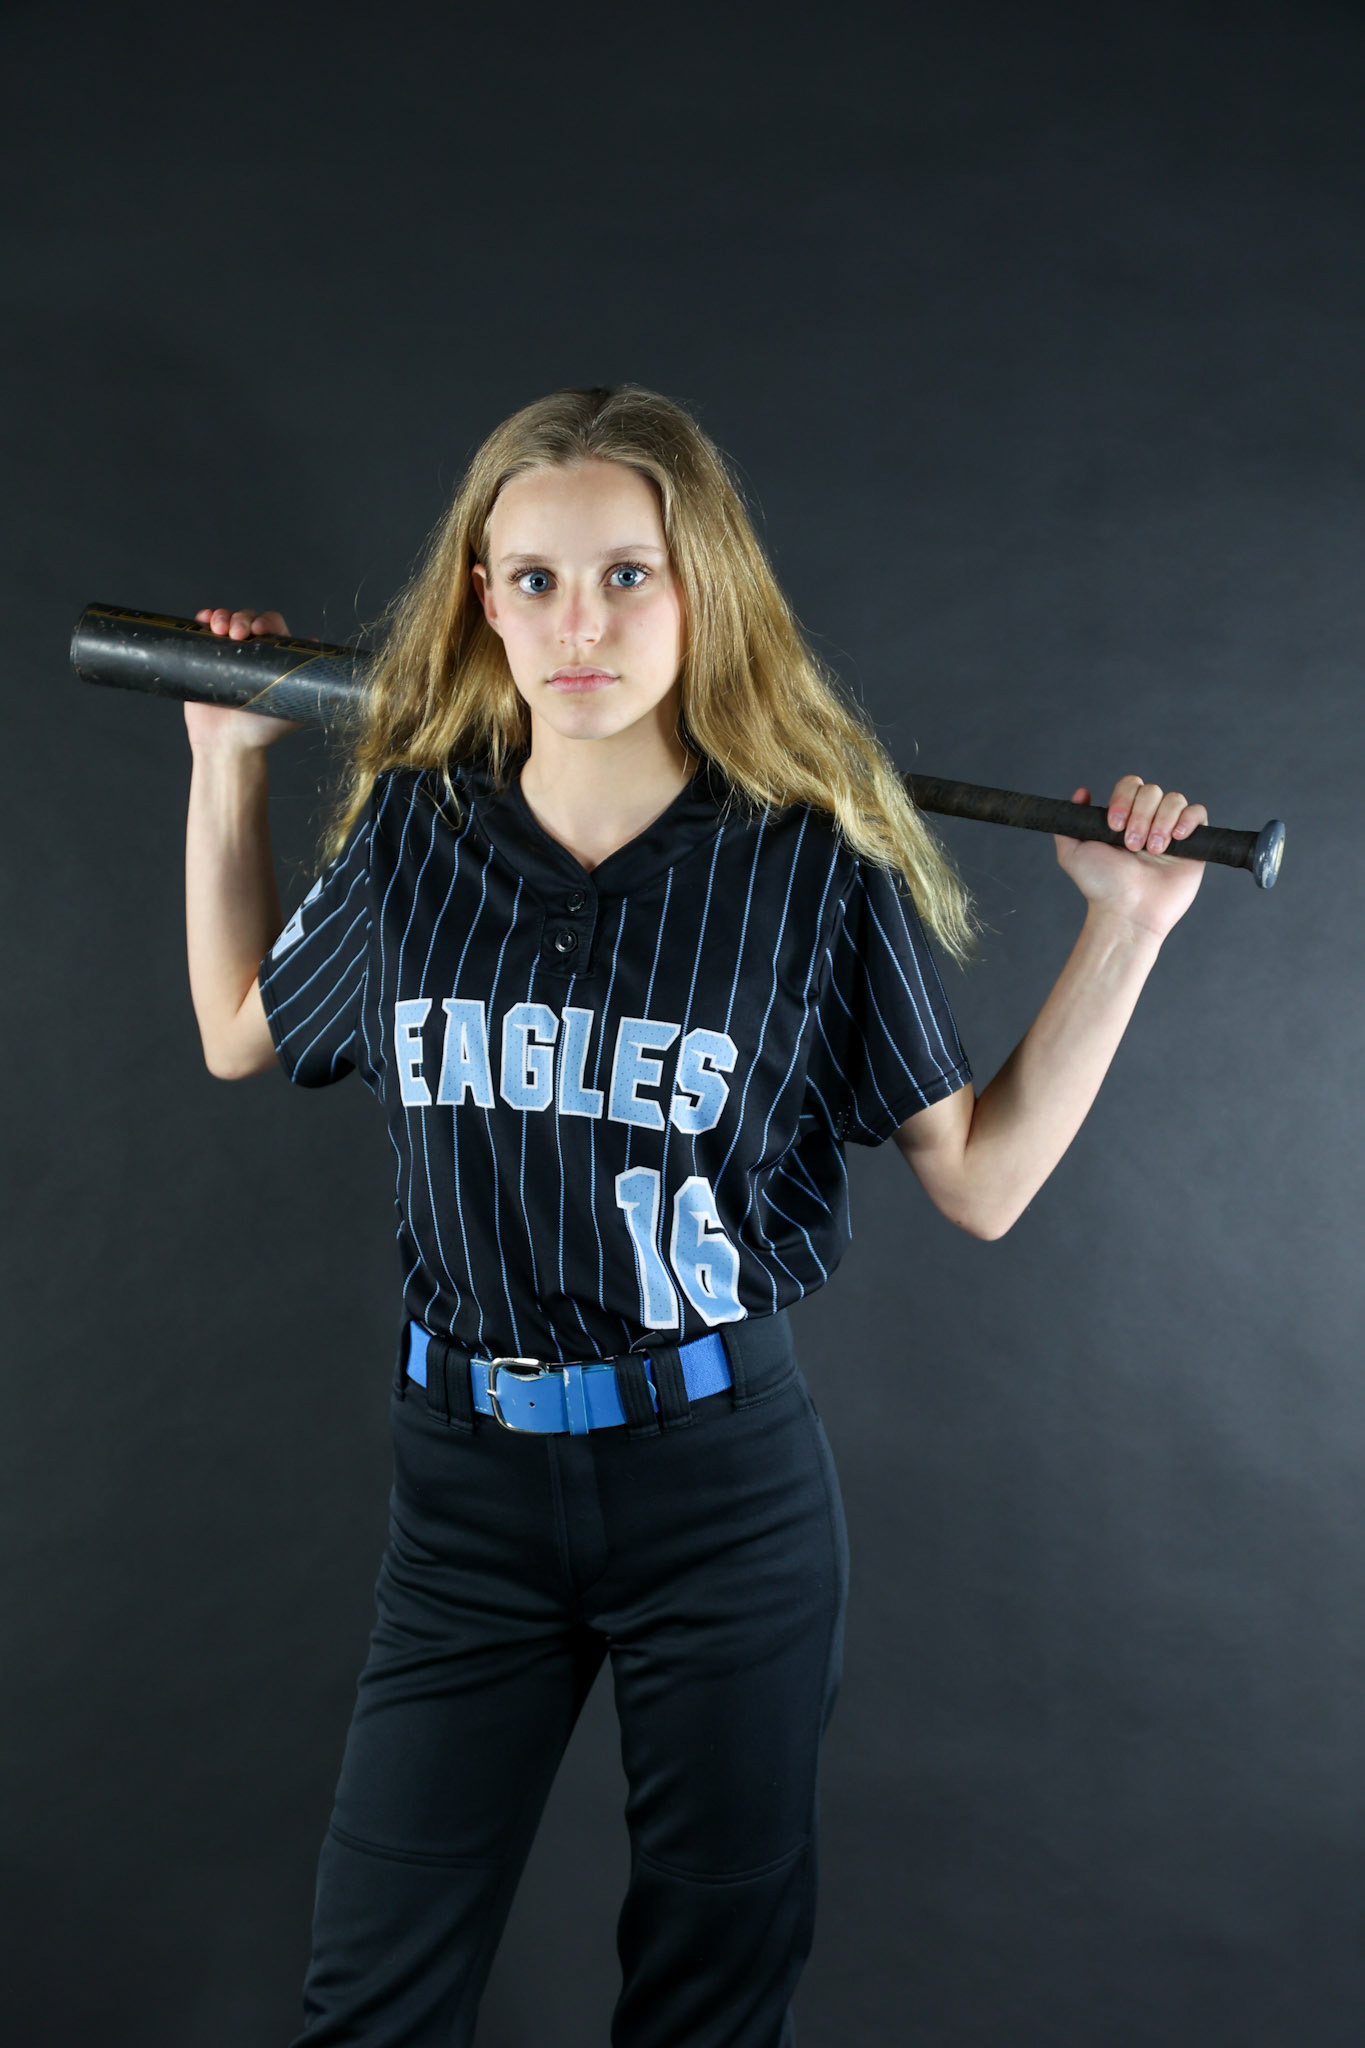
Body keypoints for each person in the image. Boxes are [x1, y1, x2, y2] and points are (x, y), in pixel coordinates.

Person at [183, 384, 1209, 2047]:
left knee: (705, 2014)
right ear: (477, 600)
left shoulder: (810, 868)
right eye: (529, 580)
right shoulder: (418, 834)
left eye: (624, 576)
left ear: (700, 589)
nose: (574, 623)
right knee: (368, 2001)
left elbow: (984, 1182)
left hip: (716, 1492)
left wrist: (1130, 928)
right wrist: (226, 764)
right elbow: (240, 1027)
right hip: (463, 1497)